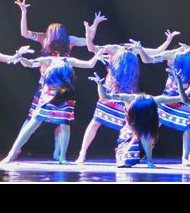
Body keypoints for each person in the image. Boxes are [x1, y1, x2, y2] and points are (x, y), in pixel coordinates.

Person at [75, 20, 181, 164]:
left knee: (131, 126)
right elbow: (92, 48)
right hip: (111, 91)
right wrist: (89, 33)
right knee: (96, 122)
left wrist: (167, 41)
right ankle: (82, 153)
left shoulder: (134, 50)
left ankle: (130, 153)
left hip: (128, 94)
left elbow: (156, 51)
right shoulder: (114, 49)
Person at [14, 0, 105, 159]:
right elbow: (25, 33)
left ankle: (58, 153)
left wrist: (93, 27)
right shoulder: (44, 38)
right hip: (45, 86)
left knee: (61, 119)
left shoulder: (69, 40)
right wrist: (23, 12)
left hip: (63, 85)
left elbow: (88, 42)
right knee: (33, 118)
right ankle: (17, 148)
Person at [2, 48, 107, 164]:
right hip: (49, 95)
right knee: (34, 123)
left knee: (65, 125)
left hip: (66, 94)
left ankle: (62, 157)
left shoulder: (68, 61)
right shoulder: (48, 60)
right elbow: (30, 64)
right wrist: (22, 58)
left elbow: (89, 64)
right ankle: (11, 153)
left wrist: (96, 56)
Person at [87, 69, 188, 168]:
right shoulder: (128, 98)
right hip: (127, 136)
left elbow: (181, 98)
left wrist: (180, 83)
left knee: (145, 133)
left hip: (142, 136)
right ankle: (130, 157)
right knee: (126, 161)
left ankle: (148, 161)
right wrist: (99, 85)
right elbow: (105, 97)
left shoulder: (154, 100)